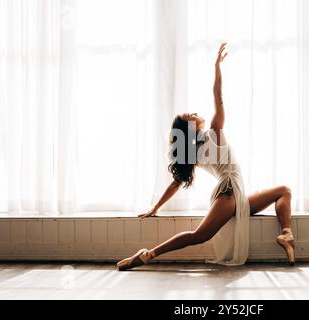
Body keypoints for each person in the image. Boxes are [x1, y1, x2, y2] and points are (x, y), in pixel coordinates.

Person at [117, 43, 295, 271]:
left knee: (284, 190)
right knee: (199, 235)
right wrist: (217, 67)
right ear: (189, 128)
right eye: (189, 115)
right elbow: (218, 95)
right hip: (229, 191)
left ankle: (286, 235)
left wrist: (156, 207)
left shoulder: (194, 153)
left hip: (236, 194)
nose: (194, 113)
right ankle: (148, 254)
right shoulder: (215, 133)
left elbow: (177, 182)